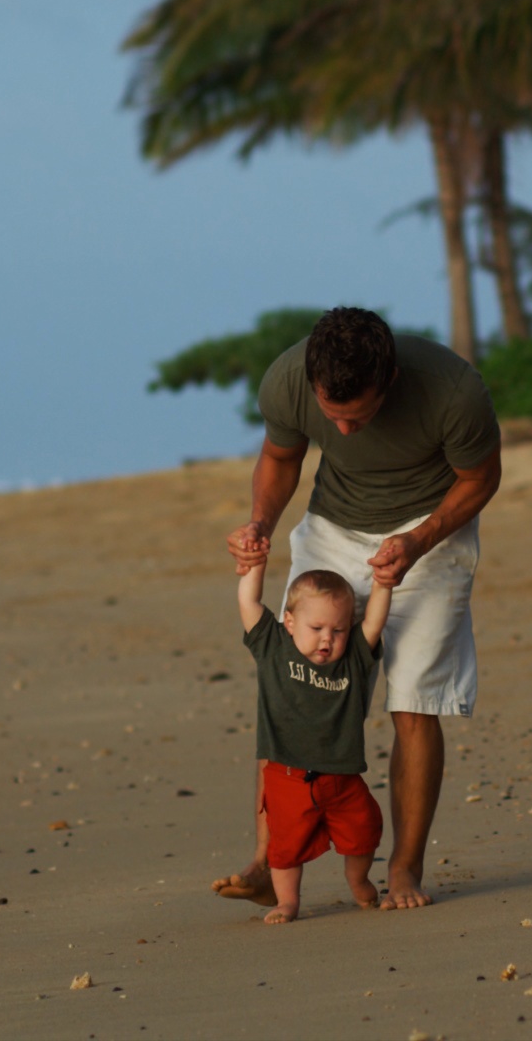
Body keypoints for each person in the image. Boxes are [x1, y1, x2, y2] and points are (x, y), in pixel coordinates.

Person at [212, 306, 501, 911]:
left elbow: (480, 478)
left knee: (414, 702)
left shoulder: (453, 390)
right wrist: (261, 523)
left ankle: (403, 869)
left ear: (389, 379)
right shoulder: (289, 379)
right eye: (332, 417)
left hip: (431, 532)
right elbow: (281, 457)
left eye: (359, 417)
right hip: (333, 529)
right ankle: (270, 863)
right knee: (290, 690)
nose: (343, 433)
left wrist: (419, 541)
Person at [236, 562, 390, 923]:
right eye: (316, 628)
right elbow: (248, 600)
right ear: (289, 622)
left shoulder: (351, 657)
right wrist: (255, 564)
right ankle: (288, 902)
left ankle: (359, 880)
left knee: (363, 833)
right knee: (285, 848)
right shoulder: (273, 647)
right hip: (287, 776)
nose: (327, 639)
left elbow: (374, 622)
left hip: (343, 778)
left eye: (338, 629)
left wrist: (384, 584)